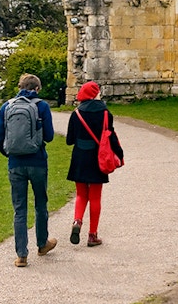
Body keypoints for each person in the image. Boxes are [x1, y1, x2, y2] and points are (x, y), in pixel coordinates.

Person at [0, 74, 57, 267]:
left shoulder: (7, 107)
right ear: (37, 89)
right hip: (37, 161)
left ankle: (21, 255)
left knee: (19, 208)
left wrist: (10, 154)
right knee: (40, 204)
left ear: (20, 86)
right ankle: (42, 244)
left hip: (16, 164)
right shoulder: (42, 106)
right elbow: (50, 135)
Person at [66, 81, 123, 247]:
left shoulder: (76, 114)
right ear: (96, 94)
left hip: (80, 157)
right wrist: (119, 153)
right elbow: (110, 135)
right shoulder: (105, 113)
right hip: (98, 157)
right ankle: (92, 235)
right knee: (95, 196)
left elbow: (70, 140)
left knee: (81, 194)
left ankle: (77, 221)